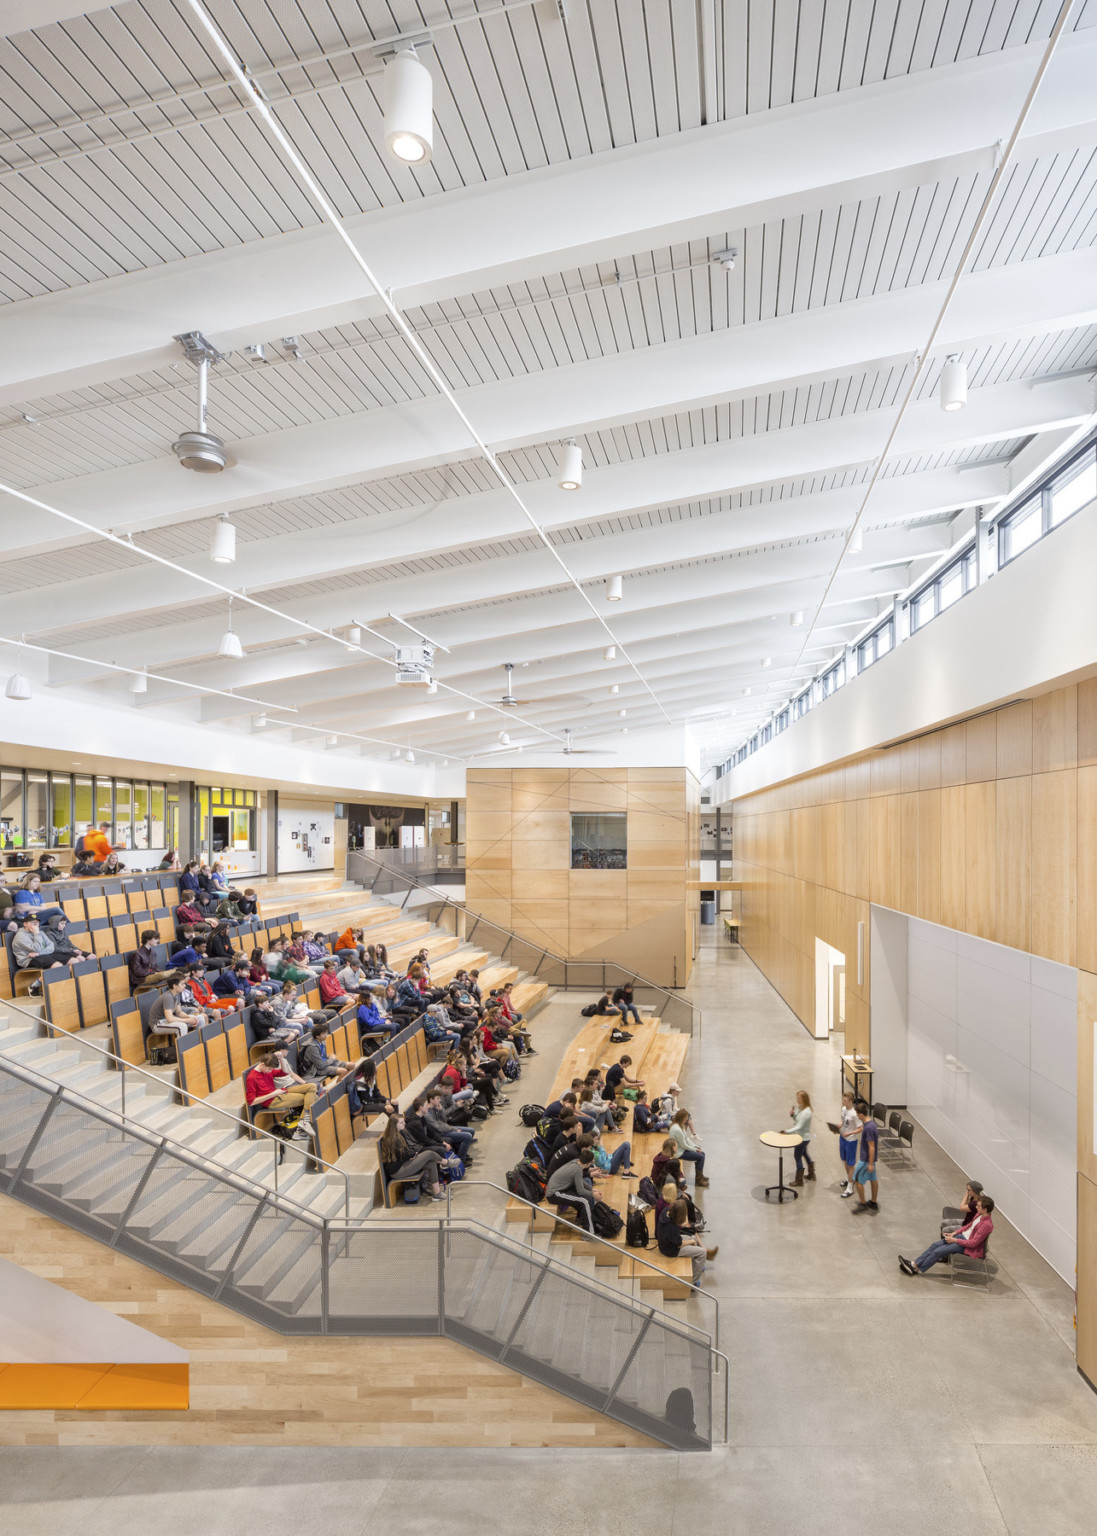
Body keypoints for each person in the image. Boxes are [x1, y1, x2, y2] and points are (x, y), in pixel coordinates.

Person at [900, 1196, 995, 1275]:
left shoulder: (986, 1225)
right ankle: (914, 1265)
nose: (976, 1207)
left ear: (985, 1209)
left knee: (938, 1251)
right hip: (961, 1238)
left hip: (967, 1246)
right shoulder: (979, 1215)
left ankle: (917, 1269)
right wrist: (954, 1233)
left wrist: (955, 1240)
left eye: (978, 1206)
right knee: (935, 1245)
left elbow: (973, 1243)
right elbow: (968, 1226)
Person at [244, 1051, 317, 1137]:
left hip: (280, 1092)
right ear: (262, 1065)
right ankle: (303, 1124)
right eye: (269, 1069)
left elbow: (285, 1072)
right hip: (272, 1100)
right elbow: (251, 1101)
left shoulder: (267, 1068)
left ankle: (304, 1121)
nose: (270, 1071)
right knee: (312, 1097)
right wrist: (272, 1094)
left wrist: (281, 1058)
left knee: (312, 1086)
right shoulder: (252, 1078)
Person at [378, 1113, 446, 1201]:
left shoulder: (398, 1134)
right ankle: (445, 1163)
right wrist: (415, 1153)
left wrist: (413, 1154)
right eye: (401, 1123)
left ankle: (437, 1194)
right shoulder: (394, 1139)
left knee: (431, 1163)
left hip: (402, 1164)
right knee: (429, 1153)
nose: (404, 1124)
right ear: (395, 1125)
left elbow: (405, 1154)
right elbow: (405, 1154)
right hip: (397, 1171)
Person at [656, 1197, 718, 1284]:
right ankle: (693, 1281)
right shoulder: (671, 1227)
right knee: (702, 1252)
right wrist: (690, 1242)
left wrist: (688, 1233)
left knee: (693, 1238)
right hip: (671, 1250)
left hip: (666, 1243)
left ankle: (697, 1266)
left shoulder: (666, 1211)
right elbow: (679, 1244)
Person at [545, 1146, 597, 1233]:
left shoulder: (576, 1162)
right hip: (554, 1194)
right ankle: (590, 1234)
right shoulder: (577, 1169)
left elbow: (581, 1181)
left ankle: (583, 1218)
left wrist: (591, 1189)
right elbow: (580, 1190)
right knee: (584, 1201)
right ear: (588, 1164)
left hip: (561, 1189)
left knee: (585, 1197)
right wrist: (593, 1194)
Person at [850, 1099, 879, 1214]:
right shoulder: (869, 1123)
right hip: (869, 1160)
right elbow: (862, 1129)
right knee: (873, 1179)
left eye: (857, 1114)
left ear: (861, 1114)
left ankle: (863, 1204)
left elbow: (871, 1147)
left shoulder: (869, 1128)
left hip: (866, 1160)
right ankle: (873, 1202)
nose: (856, 1115)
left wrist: (870, 1164)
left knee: (857, 1180)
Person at [669, 1108, 709, 1187]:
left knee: (702, 1154)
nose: (687, 1119)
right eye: (686, 1117)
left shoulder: (680, 1125)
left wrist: (695, 1146)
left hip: (682, 1149)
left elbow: (686, 1139)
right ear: (682, 1118)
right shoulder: (677, 1129)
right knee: (700, 1157)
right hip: (678, 1152)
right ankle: (699, 1180)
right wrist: (695, 1149)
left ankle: (700, 1176)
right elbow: (684, 1145)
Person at [834, 1091, 861, 1197]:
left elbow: (860, 1128)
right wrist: (838, 1127)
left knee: (850, 1164)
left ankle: (850, 1187)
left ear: (850, 1101)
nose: (842, 1102)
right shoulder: (844, 1109)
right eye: (842, 1100)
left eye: (844, 1100)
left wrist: (850, 1132)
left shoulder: (854, 1114)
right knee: (845, 1161)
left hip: (851, 1141)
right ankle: (850, 1177)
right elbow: (843, 1122)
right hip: (843, 1138)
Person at [786, 1090, 815, 1186]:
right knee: (804, 1153)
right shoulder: (800, 1108)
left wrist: (786, 1132)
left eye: (799, 1098)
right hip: (803, 1137)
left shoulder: (807, 1112)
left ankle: (799, 1180)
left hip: (802, 1138)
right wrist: (793, 1114)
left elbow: (799, 1126)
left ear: (804, 1099)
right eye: (797, 1098)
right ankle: (811, 1174)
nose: (797, 1100)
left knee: (797, 1156)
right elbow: (797, 1119)